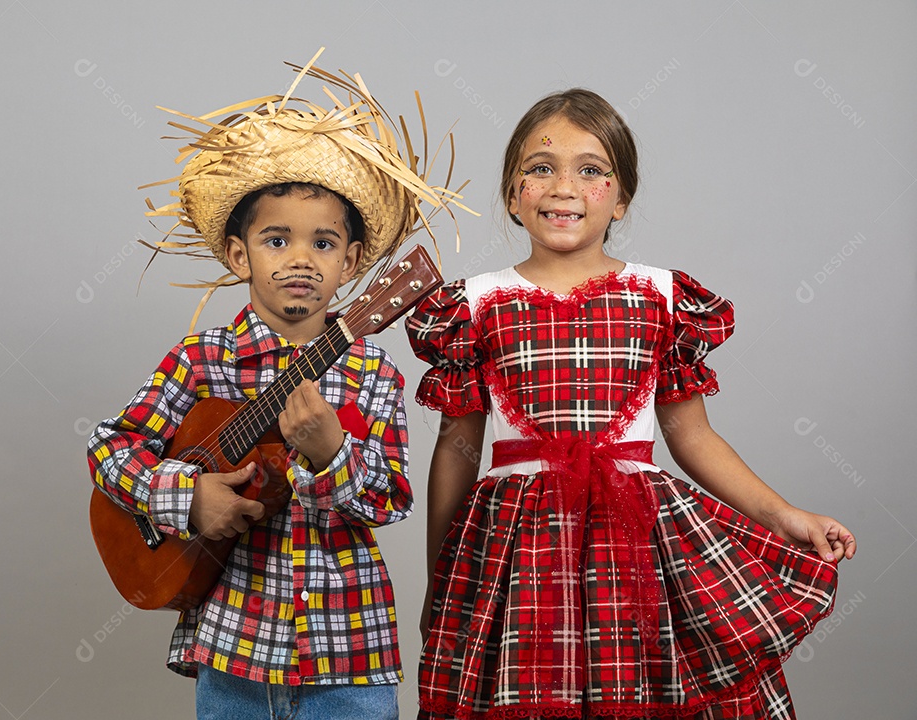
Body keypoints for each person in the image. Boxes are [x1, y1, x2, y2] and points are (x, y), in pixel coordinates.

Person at [406, 88, 856, 720]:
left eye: (591, 170)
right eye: (541, 168)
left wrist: (783, 516)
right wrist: (441, 575)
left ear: (620, 199)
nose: (564, 187)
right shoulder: (473, 305)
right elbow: (457, 449)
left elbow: (692, 437)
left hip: (637, 542)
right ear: (512, 194)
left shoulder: (661, 296)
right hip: (519, 551)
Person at [87, 50, 465, 720]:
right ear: (240, 254)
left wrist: (331, 453)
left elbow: (391, 500)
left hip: (349, 649)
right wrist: (187, 497)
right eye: (276, 240)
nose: (300, 259)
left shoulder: (374, 374)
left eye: (323, 244)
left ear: (352, 263)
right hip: (233, 646)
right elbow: (108, 448)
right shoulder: (204, 359)